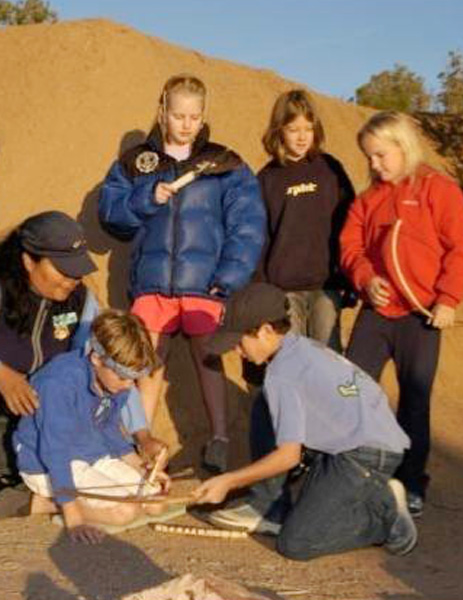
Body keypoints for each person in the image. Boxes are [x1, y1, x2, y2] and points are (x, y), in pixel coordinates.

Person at [0, 211, 160, 515]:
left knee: (31, 448)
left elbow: (110, 367)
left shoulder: (80, 302)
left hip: (17, 405)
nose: (72, 279)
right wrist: (0, 374)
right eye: (62, 270)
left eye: (76, 270)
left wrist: (142, 435)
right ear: (28, 261)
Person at [98, 74, 266, 474]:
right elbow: (110, 214)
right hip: (152, 284)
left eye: (194, 115)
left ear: (203, 115)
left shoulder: (224, 163)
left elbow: (248, 225)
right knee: (147, 366)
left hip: (204, 285)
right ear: (163, 112)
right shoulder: (137, 162)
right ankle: (141, 445)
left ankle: (220, 440)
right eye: (178, 115)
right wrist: (145, 198)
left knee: (209, 360)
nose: (186, 123)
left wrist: (228, 276)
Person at [191, 282, 417, 561]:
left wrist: (229, 481)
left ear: (265, 331)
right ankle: (269, 506)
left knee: (296, 542)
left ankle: (384, 517)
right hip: (366, 441)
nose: (238, 351)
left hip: (365, 456)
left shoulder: (281, 374)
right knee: (265, 404)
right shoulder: (301, 346)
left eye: (239, 342)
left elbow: (288, 456)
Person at [340, 111, 463, 517]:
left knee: (414, 401)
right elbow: (350, 245)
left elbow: (461, 247)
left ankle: (411, 483)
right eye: (369, 158)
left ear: (403, 147)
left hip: (422, 318)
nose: (374, 165)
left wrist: (448, 299)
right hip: (378, 312)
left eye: (380, 155)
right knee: (350, 388)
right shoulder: (369, 199)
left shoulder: (438, 189)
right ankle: (350, 473)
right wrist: (365, 278)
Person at [14, 309, 177, 544]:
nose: (129, 385)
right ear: (96, 358)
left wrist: (142, 467)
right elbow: (55, 451)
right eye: (123, 376)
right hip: (47, 463)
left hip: (91, 453)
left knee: (155, 503)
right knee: (124, 513)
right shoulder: (58, 383)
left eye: (134, 378)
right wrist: (74, 516)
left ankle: (72, 500)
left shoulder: (116, 384)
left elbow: (108, 428)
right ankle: (46, 503)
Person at [256, 89, 355, 351]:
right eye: (293, 129)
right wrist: (262, 288)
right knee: (292, 359)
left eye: (308, 129)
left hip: (326, 287)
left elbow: (351, 224)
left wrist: (350, 278)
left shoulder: (329, 170)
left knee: (329, 360)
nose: (302, 137)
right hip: (283, 290)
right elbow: (259, 238)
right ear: (279, 130)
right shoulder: (267, 178)